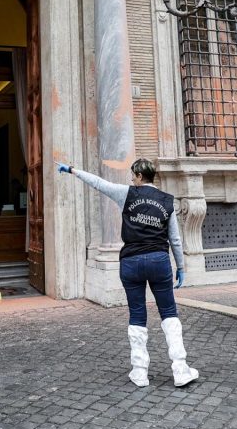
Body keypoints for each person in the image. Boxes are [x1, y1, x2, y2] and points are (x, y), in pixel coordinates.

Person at [56, 158, 199, 388]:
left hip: (131, 262)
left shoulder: (127, 194)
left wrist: (73, 170)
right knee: (169, 312)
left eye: (133, 175)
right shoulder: (167, 201)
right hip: (158, 261)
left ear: (141, 177)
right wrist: (180, 267)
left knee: (137, 313)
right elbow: (175, 239)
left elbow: (98, 183)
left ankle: (140, 372)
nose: (131, 179)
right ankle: (180, 369)